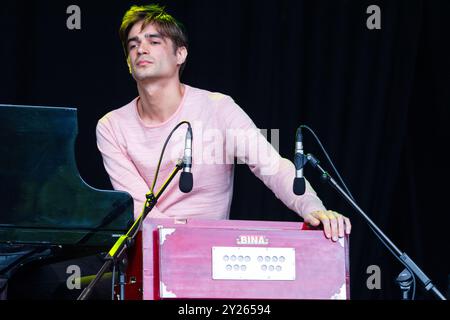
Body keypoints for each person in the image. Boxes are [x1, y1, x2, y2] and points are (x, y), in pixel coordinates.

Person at [96, 4, 351, 242]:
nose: (141, 49)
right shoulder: (111, 126)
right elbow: (140, 207)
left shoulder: (218, 108)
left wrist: (314, 208)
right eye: (133, 45)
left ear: (180, 54)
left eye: (154, 41)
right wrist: (177, 247)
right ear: (128, 63)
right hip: (153, 251)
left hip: (212, 250)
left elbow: (272, 166)